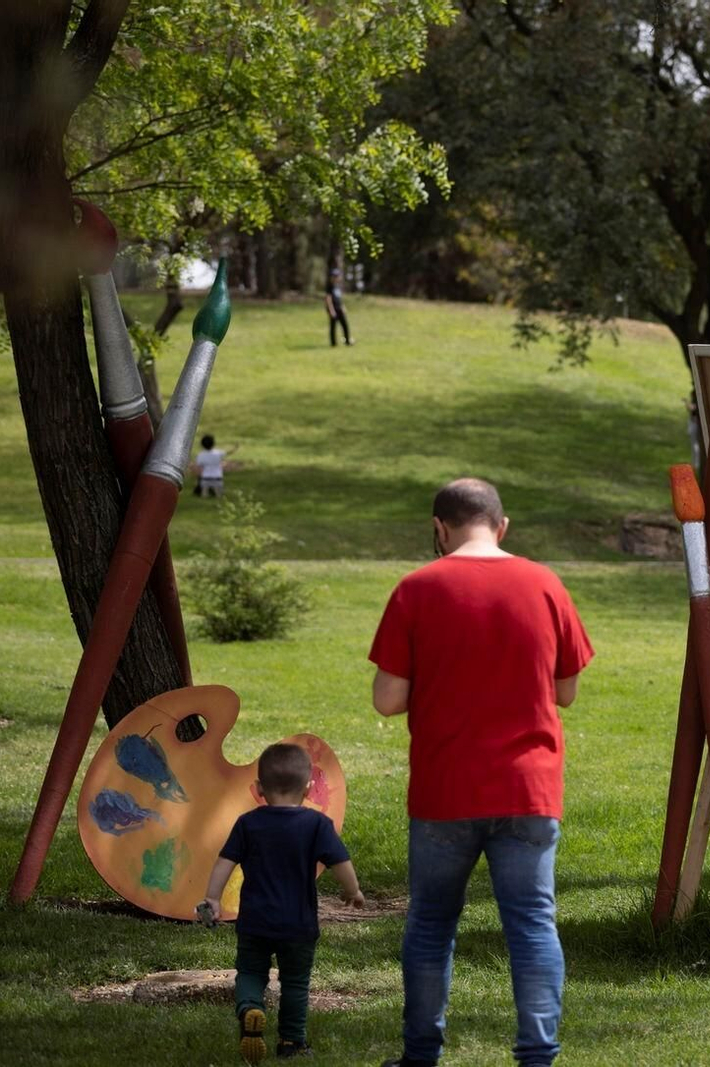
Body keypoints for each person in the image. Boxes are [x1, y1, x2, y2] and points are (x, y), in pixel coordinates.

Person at [369, 478, 594, 1067]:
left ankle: (421, 1054)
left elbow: (388, 700)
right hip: (528, 788)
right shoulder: (545, 584)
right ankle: (537, 1056)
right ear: (502, 525)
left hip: (445, 789)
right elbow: (567, 691)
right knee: (533, 924)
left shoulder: (417, 588)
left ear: (439, 528)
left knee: (431, 924)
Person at [202, 743, 364, 1063]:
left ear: (259, 788)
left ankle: (250, 1007)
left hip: (255, 921)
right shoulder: (316, 825)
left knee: (250, 972)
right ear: (308, 788)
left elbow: (224, 862)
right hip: (298, 924)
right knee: (295, 983)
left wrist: (213, 898)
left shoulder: (248, 823)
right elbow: (339, 862)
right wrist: (353, 890)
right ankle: (291, 1042)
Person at [191, 434, 238, 498]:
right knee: (218, 495)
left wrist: (198, 479)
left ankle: (205, 497)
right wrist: (235, 448)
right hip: (217, 478)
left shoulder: (200, 455)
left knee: (204, 494)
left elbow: (199, 468)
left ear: (202, 444)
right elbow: (228, 453)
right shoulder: (217, 453)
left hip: (205, 478)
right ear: (213, 443)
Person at [325, 268, 352, 347]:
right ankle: (333, 343)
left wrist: (343, 306)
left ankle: (347, 341)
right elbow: (328, 299)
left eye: (337, 276)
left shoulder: (338, 286)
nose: (336, 278)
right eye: (335, 276)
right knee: (333, 326)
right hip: (333, 309)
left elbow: (339, 298)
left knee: (345, 324)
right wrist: (331, 310)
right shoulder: (329, 286)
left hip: (339, 308)